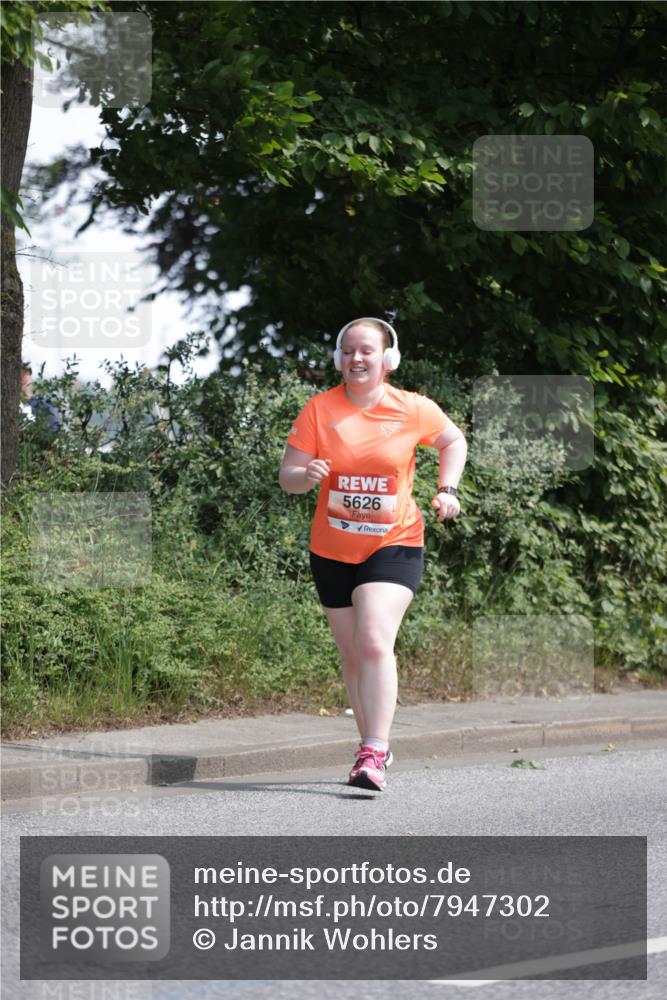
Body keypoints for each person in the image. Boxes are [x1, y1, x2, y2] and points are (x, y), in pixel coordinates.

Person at [278, 317, 467, 791]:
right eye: (348, 351)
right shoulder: (320, 409)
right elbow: (288, 477)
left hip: (394, 543)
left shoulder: (412, 408)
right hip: (331, 550)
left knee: (374, 639)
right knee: (351, 654)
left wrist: (447, 489)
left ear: (388, 359)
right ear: (338, 359)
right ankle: (370, 746)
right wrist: (306, 476)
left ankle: (374, 750)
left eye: (366, 351)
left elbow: (453, 440)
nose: (356, 359)